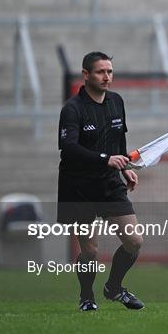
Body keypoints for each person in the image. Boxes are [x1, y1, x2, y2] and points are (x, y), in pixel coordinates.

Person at [57, 51, 144, 311]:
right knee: (91, 252)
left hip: (109, 184)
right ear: (86, 75)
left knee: (134, 241)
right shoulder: (72, 109)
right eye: (100, 72)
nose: (107, 77)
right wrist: (105, 158)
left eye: (109, 71)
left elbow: (119, 139)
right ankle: (86, 296)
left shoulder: (116, 101)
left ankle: (114, 288)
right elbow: (68, 148)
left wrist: (125, 168)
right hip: (79, 187)